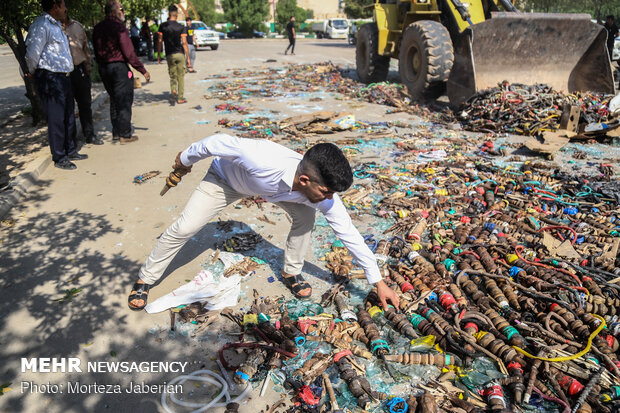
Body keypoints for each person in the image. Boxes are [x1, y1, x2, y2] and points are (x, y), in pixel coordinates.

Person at [127, 134, 400, 311]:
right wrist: (185, 159)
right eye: (326, 192)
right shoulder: (260, 157)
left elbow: (350, 234)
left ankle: (291, 271)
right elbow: (214, 143)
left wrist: (378, 282)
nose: (329, 199)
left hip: (277, 193)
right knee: (185, 227)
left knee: (306, 220)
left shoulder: (322, 196)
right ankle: (145, 278)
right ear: (305, 180)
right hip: (225, 181)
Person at [25, 0, 87, 170]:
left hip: (64, 77)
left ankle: (70, 150)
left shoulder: (57, 25)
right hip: (50, 78)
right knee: (57, 118)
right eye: (63, 5)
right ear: (54, 7)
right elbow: (32, 54)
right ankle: (60, 157)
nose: (66, 9)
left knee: (68, 115)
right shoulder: (41, 25)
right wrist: (33, 72)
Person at [93, 0, 150, 144]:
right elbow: (129, 53)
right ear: (113, 12)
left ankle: (116, 132)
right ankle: (124, 134)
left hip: (104, 68)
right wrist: (142, 70)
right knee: (124, 100)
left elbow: (95, 50)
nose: (123, 12)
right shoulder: (119, 27)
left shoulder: (98, 28)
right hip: (118, 68)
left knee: (114, 99)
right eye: (121, 9)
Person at [62, 13, 104, 146]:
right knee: (68, 107)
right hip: (64, 72)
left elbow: (85, 48)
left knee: (85, 105)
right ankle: (71, 140)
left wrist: (88, 65)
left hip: (80, 69)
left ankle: (89, 134)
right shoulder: (55, 28)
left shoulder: (77, 26)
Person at [158, 5, 191, 104]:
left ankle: (173, 90)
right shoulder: (181, 27)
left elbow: (159, 41)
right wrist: (188, 57)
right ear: (177, 14)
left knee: (173, 75)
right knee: (181, 76)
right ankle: (180, 98)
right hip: (180, 54)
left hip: (169, 55)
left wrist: (159, 54)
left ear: (168, 14)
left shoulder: (163, 26)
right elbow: (184, 43)